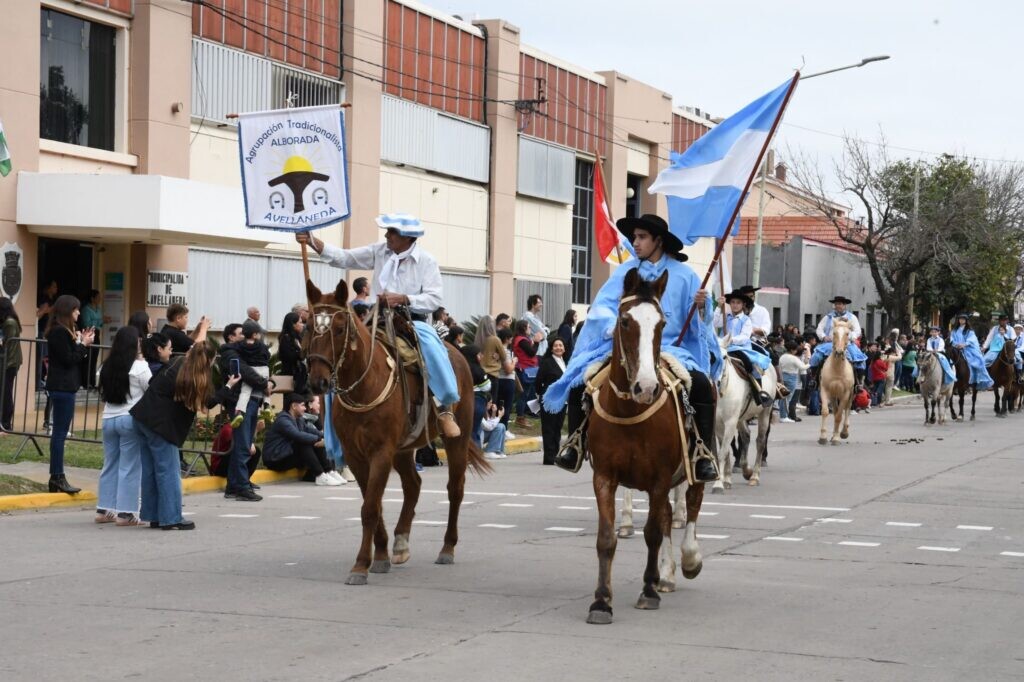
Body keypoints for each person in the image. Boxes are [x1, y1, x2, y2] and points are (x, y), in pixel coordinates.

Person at [544, 214, 719, 481]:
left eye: (641, 237)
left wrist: (702, 306)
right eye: (634, 237)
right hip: (627, 347)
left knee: (702, 385)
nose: (635, 243)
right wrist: (611, 326)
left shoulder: (685, 276)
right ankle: (575, 442)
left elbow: (700, 323)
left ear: (658, 241)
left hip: (670, 349)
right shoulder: (625, 272)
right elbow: (602, 305)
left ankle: (702, 452)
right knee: (582, 379)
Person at [296, 213, 463, 439]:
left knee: (433, 350)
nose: (387, 235)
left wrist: (404, 298)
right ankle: (333, 429)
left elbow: (434, 299)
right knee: (338, 351)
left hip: (411, 319)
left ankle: (445, 408)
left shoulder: (426, 260)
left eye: (391, 232)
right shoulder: (380, 250)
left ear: (407, 237)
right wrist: (313, 241)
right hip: (377, 317)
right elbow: (345, 258)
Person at [132, 341, 237, 529]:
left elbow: (152, 382)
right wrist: (228, 386)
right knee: (168, 471)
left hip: (142, 417)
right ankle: (171, 518)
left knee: (150, 470)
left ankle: (153, 514)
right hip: (162, 426)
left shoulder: (176, 362)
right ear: (210, 360)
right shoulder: (197, 378)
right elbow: (210, 402)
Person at [96, 326, 151, 526]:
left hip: (108, 418)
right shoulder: (140, 367)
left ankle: (104, 509)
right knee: (130, 466)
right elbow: (150, 389)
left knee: (110, 463)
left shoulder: (105, 366)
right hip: (129, 418)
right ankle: (126, 513)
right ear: (133, 343)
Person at [44, 295, 95, 494]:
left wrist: (82, 341)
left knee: (60, 433)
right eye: (76, 310)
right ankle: (57, 476)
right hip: (62, 387)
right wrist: (83, 346)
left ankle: (57, 476)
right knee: (59, 433)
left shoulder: (65, 331)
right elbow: (68, 359)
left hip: (66, 386)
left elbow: (72, 355)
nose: (79, 313)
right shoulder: (59, 332)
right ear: (67, 311)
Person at [218, 320, 272, 500]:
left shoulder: (248, 350)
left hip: (253, 400)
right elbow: (245, 371)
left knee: (244, 442)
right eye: (241, 334)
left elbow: (263, 368)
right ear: (231, 337)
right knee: (242, 445)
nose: (246, 337)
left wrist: (270, 382)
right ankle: (241, 487)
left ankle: (233, 486)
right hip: (239, 402)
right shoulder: (229, 352)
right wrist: (265, 383)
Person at [263, 393, 344, 485]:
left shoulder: (298, 419)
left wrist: (326, 437)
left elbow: (309, 430)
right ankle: (320, 475)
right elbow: (297, 435)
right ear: (293, 406)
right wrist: (318, 439)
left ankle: (329, 472)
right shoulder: (283, 420)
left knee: (315, 441)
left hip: (287, 455)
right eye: (302, 405)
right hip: (275, 459)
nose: (305, 408)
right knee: (304, 442)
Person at [718, 290, 773, 406]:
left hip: (739, 348)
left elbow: (744, 337)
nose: (735, 305)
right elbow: (713, 322)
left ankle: (759, 392)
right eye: (732, 302)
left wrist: (731, 340)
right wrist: (719, 307)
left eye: (738, 302)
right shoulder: (724, 317)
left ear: (743, 305)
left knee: (749, 364)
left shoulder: (746, 320)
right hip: (723, 347)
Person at [810, 296, 868, 383]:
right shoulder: (828, 317)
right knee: (815, 357)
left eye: (840, 304)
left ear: (844, 305)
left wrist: (849, 336)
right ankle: (814, 379)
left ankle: (858, 383)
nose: (838, 306)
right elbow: (819, 329)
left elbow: (858, 331)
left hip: (847, 344)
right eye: (836, 304)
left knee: (860, 362)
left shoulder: (852, 317)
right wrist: (824, 336)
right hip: (830, 344)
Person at [226, 320, 271, 429]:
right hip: (264, 370)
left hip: (251, 370)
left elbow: (232, 348)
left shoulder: (240, 345)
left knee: (245, 393)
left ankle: (239, 412)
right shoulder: (261, 345)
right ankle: (267, 407)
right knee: (266, 389)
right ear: (255, 335)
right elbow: (267, 355)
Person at [535, 337, 567, 464]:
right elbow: (538, 381)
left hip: (562, 400)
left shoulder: (565, 362)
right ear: (551, 348)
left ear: (564, 348)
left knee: (558, 427)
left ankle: (556, 454)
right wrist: (541, 395)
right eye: (556, 345)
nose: (558, 347)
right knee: (549, 428)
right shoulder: (547, 362)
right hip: (549, 400)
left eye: (561, 345)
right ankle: (549, 457)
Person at [949, 314, 993, 389]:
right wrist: (955, 345)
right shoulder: (954, 330)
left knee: (978, 360)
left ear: (966, 321)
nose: (961, 320)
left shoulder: (969, 331)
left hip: (967, 348)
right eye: (960, 319)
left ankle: (976, 379)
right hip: (956, 348)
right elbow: (951, 339)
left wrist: (964, 344)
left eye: (963, 319)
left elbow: (972, 339)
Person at [512, 319, 541, 428]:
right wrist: (537, 342)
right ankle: (520, 418)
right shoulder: (522, 340)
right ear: (524, 328)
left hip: (527, 369)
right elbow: (531, 352)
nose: (530, 329)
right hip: (524, 369)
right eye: (529, 327)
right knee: (523, 395)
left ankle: (522, 416)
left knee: (525, 394)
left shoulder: (522, 339)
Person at [0, 297, 23, 431]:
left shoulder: (9, 322)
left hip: (9, 363)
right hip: (9, 361)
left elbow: (7, 343)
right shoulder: (8, 321)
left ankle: (6, 422)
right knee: (5, 391)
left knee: (6, 392)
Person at [778, 340, 808, 422]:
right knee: (788, 398)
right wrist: (809, 364)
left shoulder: (782, 357)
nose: (796, 351)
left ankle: (783, 415)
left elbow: (779, 367)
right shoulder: (793, 358)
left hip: (783, 376)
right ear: (792, 350)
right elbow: (802, 367)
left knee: (783, 397)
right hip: (792, 377)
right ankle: (784, 416)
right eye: (795, 350)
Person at [277, 311, 306, 393]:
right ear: (293, 324)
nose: (302, 325)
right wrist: (301, 353)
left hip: (300, 375)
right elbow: (290, 356)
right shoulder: (286, 338)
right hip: (291, 375)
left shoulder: (297, 338)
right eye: (300, 322)